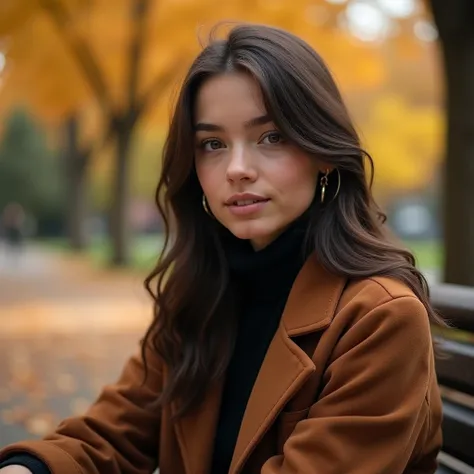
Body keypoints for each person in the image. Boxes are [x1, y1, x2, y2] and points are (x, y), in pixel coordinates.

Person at [0, 23, 444, 474]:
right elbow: (115, 430)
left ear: (323, 150)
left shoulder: (379, 319)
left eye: (271, 137)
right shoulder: (203, 293)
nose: (236, 169)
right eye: (212, 144)